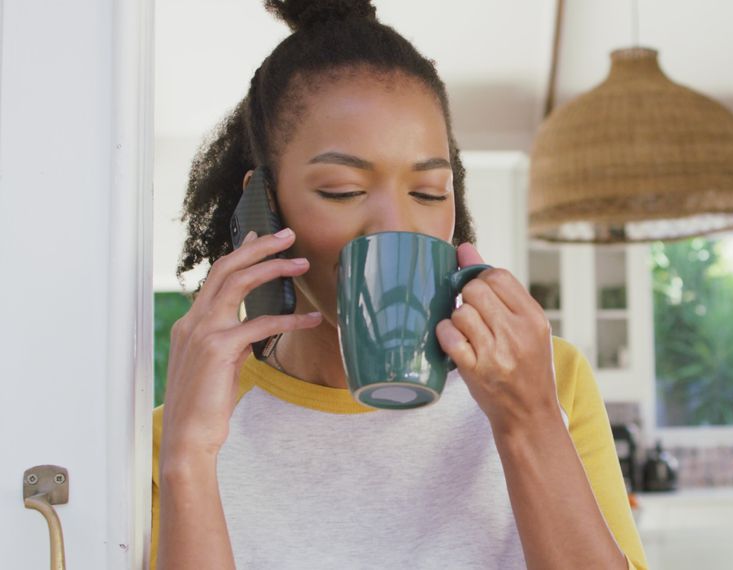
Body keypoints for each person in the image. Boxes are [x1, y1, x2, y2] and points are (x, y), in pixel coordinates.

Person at [151, 1, 648, 568]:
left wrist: (527, 422)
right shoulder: (184, 431)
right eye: (342, 190)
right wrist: (188, 457)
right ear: (265, 206)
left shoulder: (548, 382)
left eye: (429, 193)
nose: (395, 227)